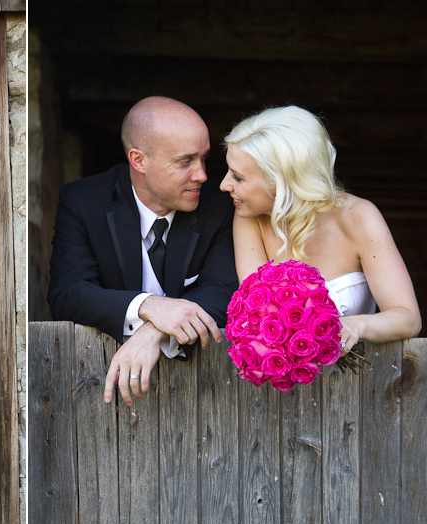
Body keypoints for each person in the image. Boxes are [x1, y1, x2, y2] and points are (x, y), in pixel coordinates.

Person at [47, 96, 238, 405]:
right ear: (139, 160)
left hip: (210, 396)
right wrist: (148, 306)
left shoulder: (221, 207)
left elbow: (226, 291)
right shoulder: (82, 202)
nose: (202, 174)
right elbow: (67, 294)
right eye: (185, 161)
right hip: (98, 397)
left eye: (203, 158)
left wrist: (153, 332)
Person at [221, 105, 421, 350]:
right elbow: (259, 316)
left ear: (283, 182)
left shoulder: (359, 217)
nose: (223, 185)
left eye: (237, 177)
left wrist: (357, 326)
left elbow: (408, 319)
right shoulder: (248, 216)